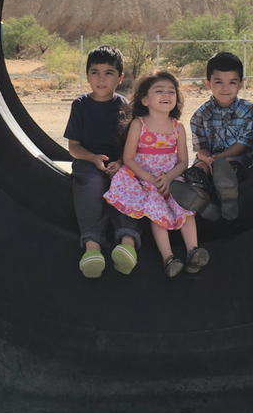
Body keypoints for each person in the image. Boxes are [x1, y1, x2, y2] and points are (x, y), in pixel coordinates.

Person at [104, 71, 209, 278]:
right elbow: (129, 158)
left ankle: (193, 250)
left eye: (171, 91)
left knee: (184, 206)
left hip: (171, 177)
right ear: (145, 99)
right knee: (156, 209)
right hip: (144, 178)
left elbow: (182, 162)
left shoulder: (177, 127)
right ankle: (168, 258)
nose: (166, 95)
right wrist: (151, 180)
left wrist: (169, 178)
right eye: (159, 91)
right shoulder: (139, 124)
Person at [65, 44, 142, 278]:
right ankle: (92, 247)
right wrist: (93, 158)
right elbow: (74, 147)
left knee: (127, 184)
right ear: (87, 76)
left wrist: (121, 162)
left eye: (109, 73)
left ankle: (127, 243)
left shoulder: (126, 107)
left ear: (119, 78)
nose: (101, 79)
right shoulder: (80, 105)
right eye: (95, 72)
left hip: (121, 163)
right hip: (89, 163)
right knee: (91, 185)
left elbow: (134, 144)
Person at [170, 51, 253, 221]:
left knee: (229, 166)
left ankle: (227, 192)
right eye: (218, 82)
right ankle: (201, 199)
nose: (225, 88)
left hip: (235, 157)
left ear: (241, 84)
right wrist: (207, 160)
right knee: (197, 172)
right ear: (208, 83)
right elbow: (201, 147)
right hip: (209, 158)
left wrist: (219, 160)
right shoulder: (200, 114)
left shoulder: (248, 110)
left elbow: (243, 144)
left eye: (232, 82)